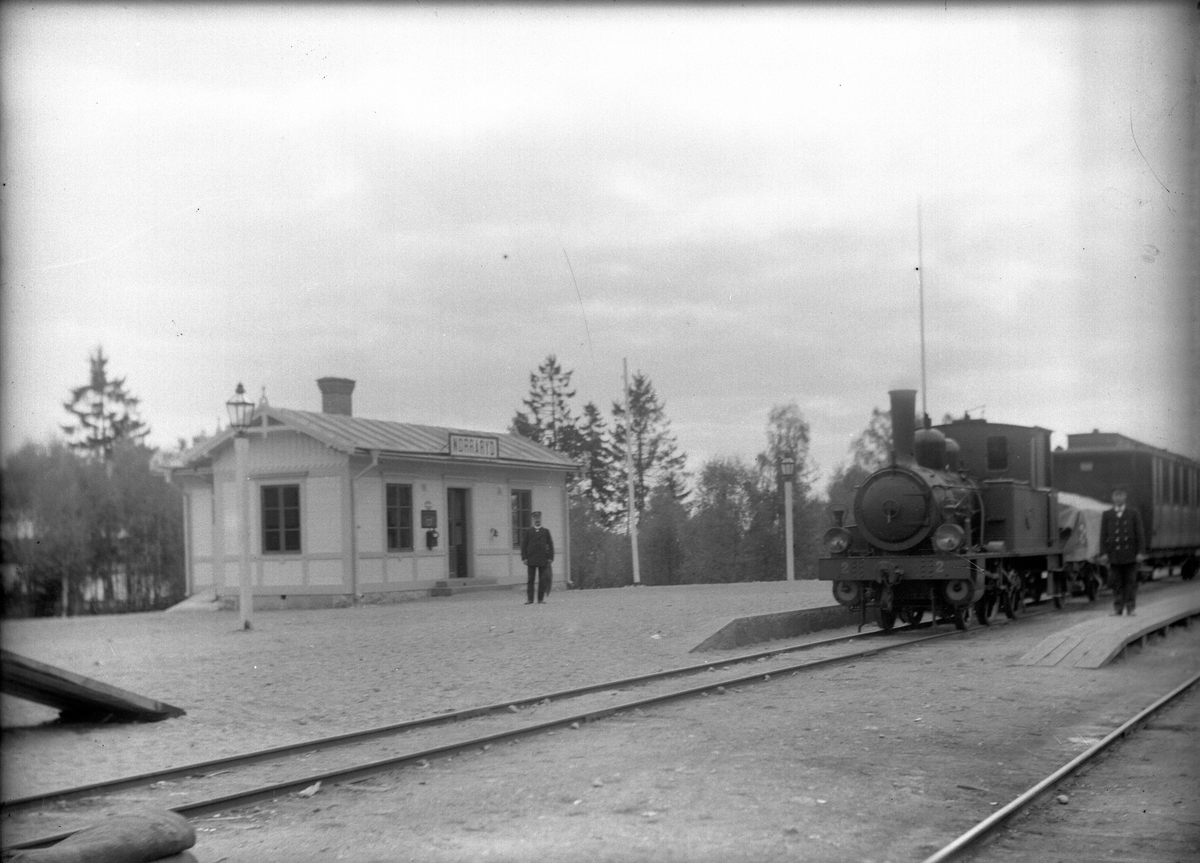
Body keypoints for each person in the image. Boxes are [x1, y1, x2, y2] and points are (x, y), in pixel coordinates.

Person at [1098, 485, 1145, 616]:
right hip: (1115, 554)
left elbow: (1140, 534)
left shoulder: (1133, 513)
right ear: (1112, 497)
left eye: (1121, 494)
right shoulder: (1107, 514)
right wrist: (1104, 553)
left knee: (1130, 582)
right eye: (1116, 495)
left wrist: (1140, 552)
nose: (1118, 498)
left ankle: (1130, 607)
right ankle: (1118, 608)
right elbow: (1103, 535)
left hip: (1130, 554)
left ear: (1125, 496)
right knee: (1116, 582)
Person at [520, 511, 554, 605]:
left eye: (538, 518)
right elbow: (524, 545)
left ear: (541, 519)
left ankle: (540, 599)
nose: (537, 520)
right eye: (535, 518)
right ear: (533, 520)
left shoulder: (546, 532)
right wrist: (524, 558)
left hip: (543, 559)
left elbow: (550, 545)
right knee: (530, 580)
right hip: (531, 559)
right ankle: (530, 599)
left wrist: (550, 558)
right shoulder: (528, 532)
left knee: (542, 580)